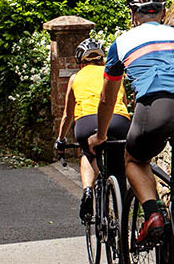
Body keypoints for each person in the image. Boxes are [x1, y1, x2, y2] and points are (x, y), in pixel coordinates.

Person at [87, 0, 174, 249]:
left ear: (133, 15)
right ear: (164, 13)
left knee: (134, 160)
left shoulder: (121, 43)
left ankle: (153, 214)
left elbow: (107, 98)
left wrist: (101, 135)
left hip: (154, 107)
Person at [56, 38, 130, 221]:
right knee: (118, 166)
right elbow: (125, 103)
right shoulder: (113, 75)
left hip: (87, 123)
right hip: (118, 120)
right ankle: (122, 217)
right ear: (102, 59)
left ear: (80, 62)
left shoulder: (75, 78)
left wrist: (61, 140)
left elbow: (67, 115)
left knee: (88, 154)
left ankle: (88, 190)